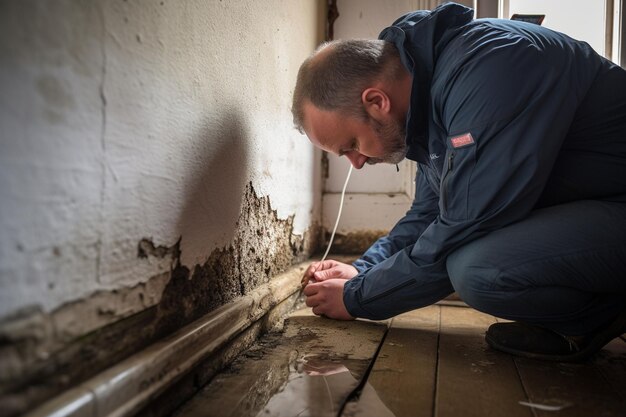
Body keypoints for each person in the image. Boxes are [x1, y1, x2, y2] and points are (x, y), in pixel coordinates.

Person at [291, 2, 626, 362]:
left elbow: (465, 225)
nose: (357, 163)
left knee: (479, 270)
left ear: (376, 101)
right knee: (470, 262)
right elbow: (427, 216)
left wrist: (357, 296)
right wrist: (363, 268)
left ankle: (600, 316)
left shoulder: (489, 70)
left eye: (352, 146)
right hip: (605, 205)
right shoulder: (429, 96)